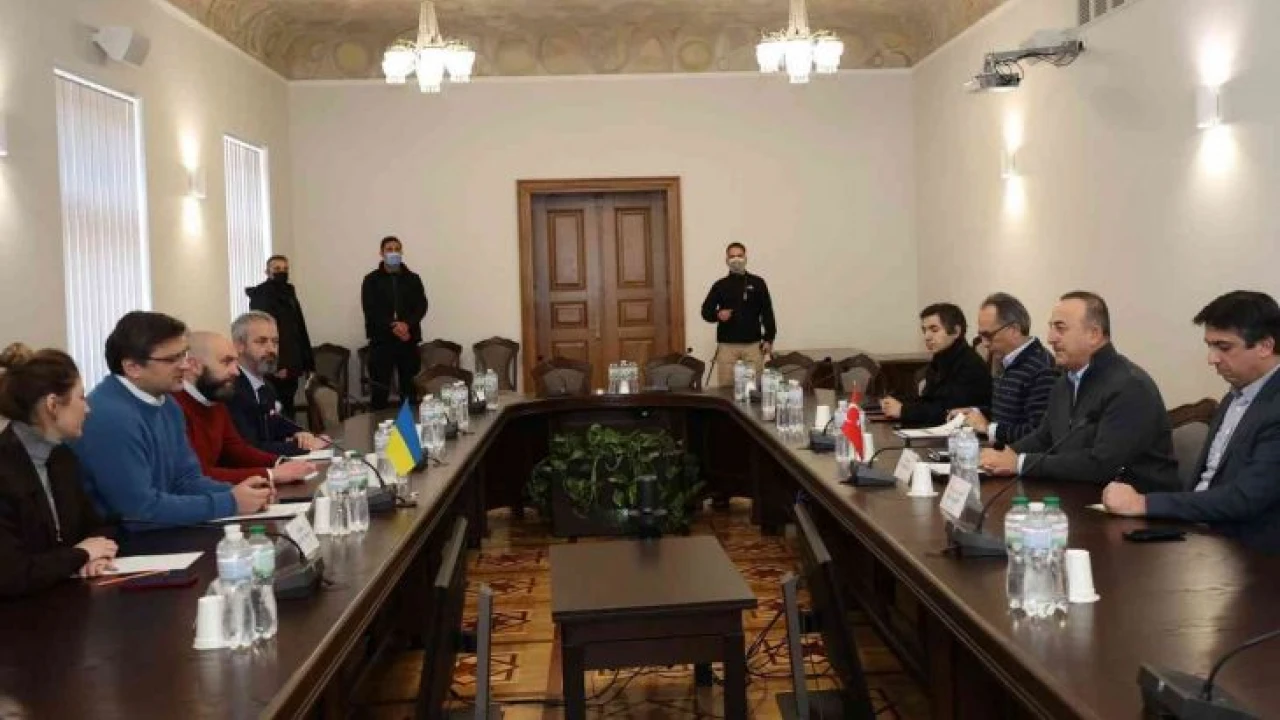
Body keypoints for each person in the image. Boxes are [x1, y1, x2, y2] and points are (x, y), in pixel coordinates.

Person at [1104, 291, 1280, 551]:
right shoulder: (1234, 396)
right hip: (1199, 535)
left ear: (1265, 346)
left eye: (1224, 347)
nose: (1212, 359)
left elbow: (1246, 498)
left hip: (1253, 553)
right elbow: (1205, 484)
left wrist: (1144, 503)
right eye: (1210, 346)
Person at [72, 312, 273, 527]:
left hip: (162, 529)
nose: (185, 366)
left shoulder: (167, 404)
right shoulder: (111, 417)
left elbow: (186, 480)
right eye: (171, 359)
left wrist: (242, 493)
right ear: (133, 368)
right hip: (124, 538)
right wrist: (230, 502)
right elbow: (139, 511)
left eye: (183, 355)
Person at [980, 292, 1179, 491]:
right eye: (1051, 328)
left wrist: (1020, 463)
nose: (1050, 338)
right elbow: (1044, 438)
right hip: (1077, 493)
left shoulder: (1130, 385)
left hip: (1137, 503)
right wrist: (1001, 456)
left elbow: (1102, 465)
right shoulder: (1064, 382)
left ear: (1094, 334)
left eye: (1060, 328)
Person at [0, 345, 118, 596]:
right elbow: (11, 574)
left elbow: (99, 526)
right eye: (81, 397)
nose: (88, 409)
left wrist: (98, 555)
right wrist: (81, 554)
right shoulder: (5, 470)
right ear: (53, 405)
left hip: (62, 599)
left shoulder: (62, 456)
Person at [175, 331, 315, 485]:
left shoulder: (215, 397)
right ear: (194, 366)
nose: (236, 371)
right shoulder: (173, 408)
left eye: (235, 362)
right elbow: (195, 475)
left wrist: (281, 463)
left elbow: (236, 450)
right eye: (226, 362)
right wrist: (270, 474)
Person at [952, 293, 1057, 444]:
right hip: (999, 451)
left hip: (1016, 456)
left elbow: (1038, 434)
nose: (984, 344)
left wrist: (988, 428)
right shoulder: (1005, 359)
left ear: (1014, 329)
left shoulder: (1041, 368)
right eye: (981, 336)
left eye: (988, 335)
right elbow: (1005, 415)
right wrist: (975, 412)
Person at [227, 311, 327, 456]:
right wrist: (304, 447)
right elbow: (251, 447)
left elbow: (277, 424)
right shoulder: (231, 389)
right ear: (239, 346)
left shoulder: (267, 387)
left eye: (275, 342)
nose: (271, 349)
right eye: (261, 341)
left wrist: (302, 434)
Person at [881, 303, 991, 428]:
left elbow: (948, 412)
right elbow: (928, 400)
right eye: (924, 330)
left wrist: (903, 410)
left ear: (956, 331)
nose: (927, 337)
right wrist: (896, 403)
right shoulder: (940, 358)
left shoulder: (970, 365)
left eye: (934, 330)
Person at [361, 236, 428, 409]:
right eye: (389, 249)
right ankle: (378, 425)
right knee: (380, 393)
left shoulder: (413, 278)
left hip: (408, 340)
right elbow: (370, 309)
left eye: (397, 249)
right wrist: (393, 325)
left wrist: (407, 325)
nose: (394, 253)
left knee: (409, 392)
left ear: (402, 252)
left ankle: (409, 425)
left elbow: (421, 305)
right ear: (381, 253)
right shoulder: (371, 280)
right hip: (382, 342)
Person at [700, 242, 777, 387]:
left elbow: (767, 312)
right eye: (732, 256)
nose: (736, 259)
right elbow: (705, 312)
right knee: (726, 390)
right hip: (727, 347)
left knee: (754, 389)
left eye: (739, 256)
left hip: (753, 346)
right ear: (726, 260)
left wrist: (769, 339)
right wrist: (718, 314)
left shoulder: (758, 283)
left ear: (745, 258)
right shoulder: (720, 285)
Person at [246, 254, 314, 417]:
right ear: (267, 272)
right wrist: (276, 364)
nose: (282, 272)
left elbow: (298, 327)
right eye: (277, 269)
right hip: (276, 363)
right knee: (278, 407)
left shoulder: (289, 292)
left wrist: (307, 361)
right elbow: (264, 333)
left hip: (292, 361)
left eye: (285, 269)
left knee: (288, 404)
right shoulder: (261, 294)